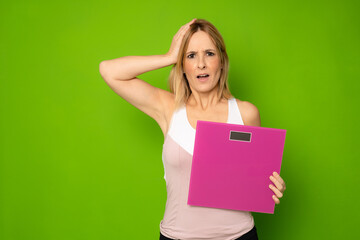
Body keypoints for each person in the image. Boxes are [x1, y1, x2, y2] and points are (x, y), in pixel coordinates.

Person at [99, 18, 286, 240]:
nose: (201, 64)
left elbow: (254, 180)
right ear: (183, 66)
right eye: (190, 56)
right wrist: (168, 56)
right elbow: (109, 70)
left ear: (222, 61)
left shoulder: (246, 114)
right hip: (177, 236)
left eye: (209, 53)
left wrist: (272, 186)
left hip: (238, 236)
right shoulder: (168, 108)